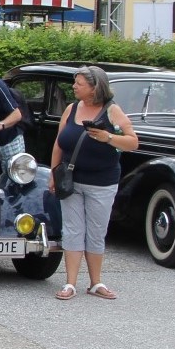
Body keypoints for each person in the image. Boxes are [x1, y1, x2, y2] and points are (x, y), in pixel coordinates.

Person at [50, 66, 137, 301]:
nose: (74, 86)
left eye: (79, 83)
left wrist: (108, 137)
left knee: (96, 232)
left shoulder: (112, 111)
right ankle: (70, 283)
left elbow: (133, 142)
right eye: (75, 82)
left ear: (94, 87)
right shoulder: (71, 109)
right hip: (71, 181)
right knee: (72, 230)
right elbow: (59, 143)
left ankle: (96, 282)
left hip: (101, 182)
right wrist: (53, 173)